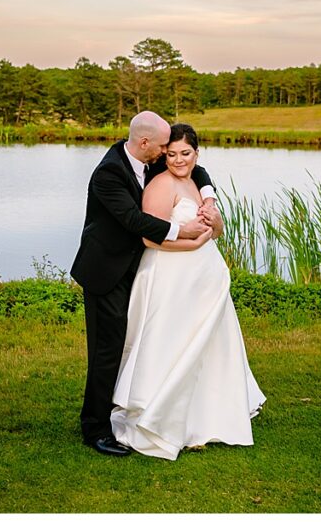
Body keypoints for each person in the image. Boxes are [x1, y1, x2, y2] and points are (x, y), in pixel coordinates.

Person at [110, 123, 266, 460]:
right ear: (163, 154)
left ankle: (206, 416)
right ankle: (159, 415)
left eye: (186, 153)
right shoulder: (160, 185)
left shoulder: (198, 183)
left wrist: (214, 220)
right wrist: (193, 242)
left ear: (197, 154)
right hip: (171, 278)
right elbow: (150, 238)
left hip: (205, 281)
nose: (179, 160)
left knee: (207, 347)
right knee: (171, 342)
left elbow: (218, 230)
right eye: (172, 154)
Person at [71, 111, 221, 457]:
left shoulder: (149, 162)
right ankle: (95, 429)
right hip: (105, 272)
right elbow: (133, 219)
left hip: (137, 269)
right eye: (163, 147)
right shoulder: (109, 173)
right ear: (144, 143)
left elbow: (196, 169)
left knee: (134, 343)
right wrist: (184, 232)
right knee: (106, 350)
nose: (168, 153)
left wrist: (209, 197)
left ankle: (127, 405)